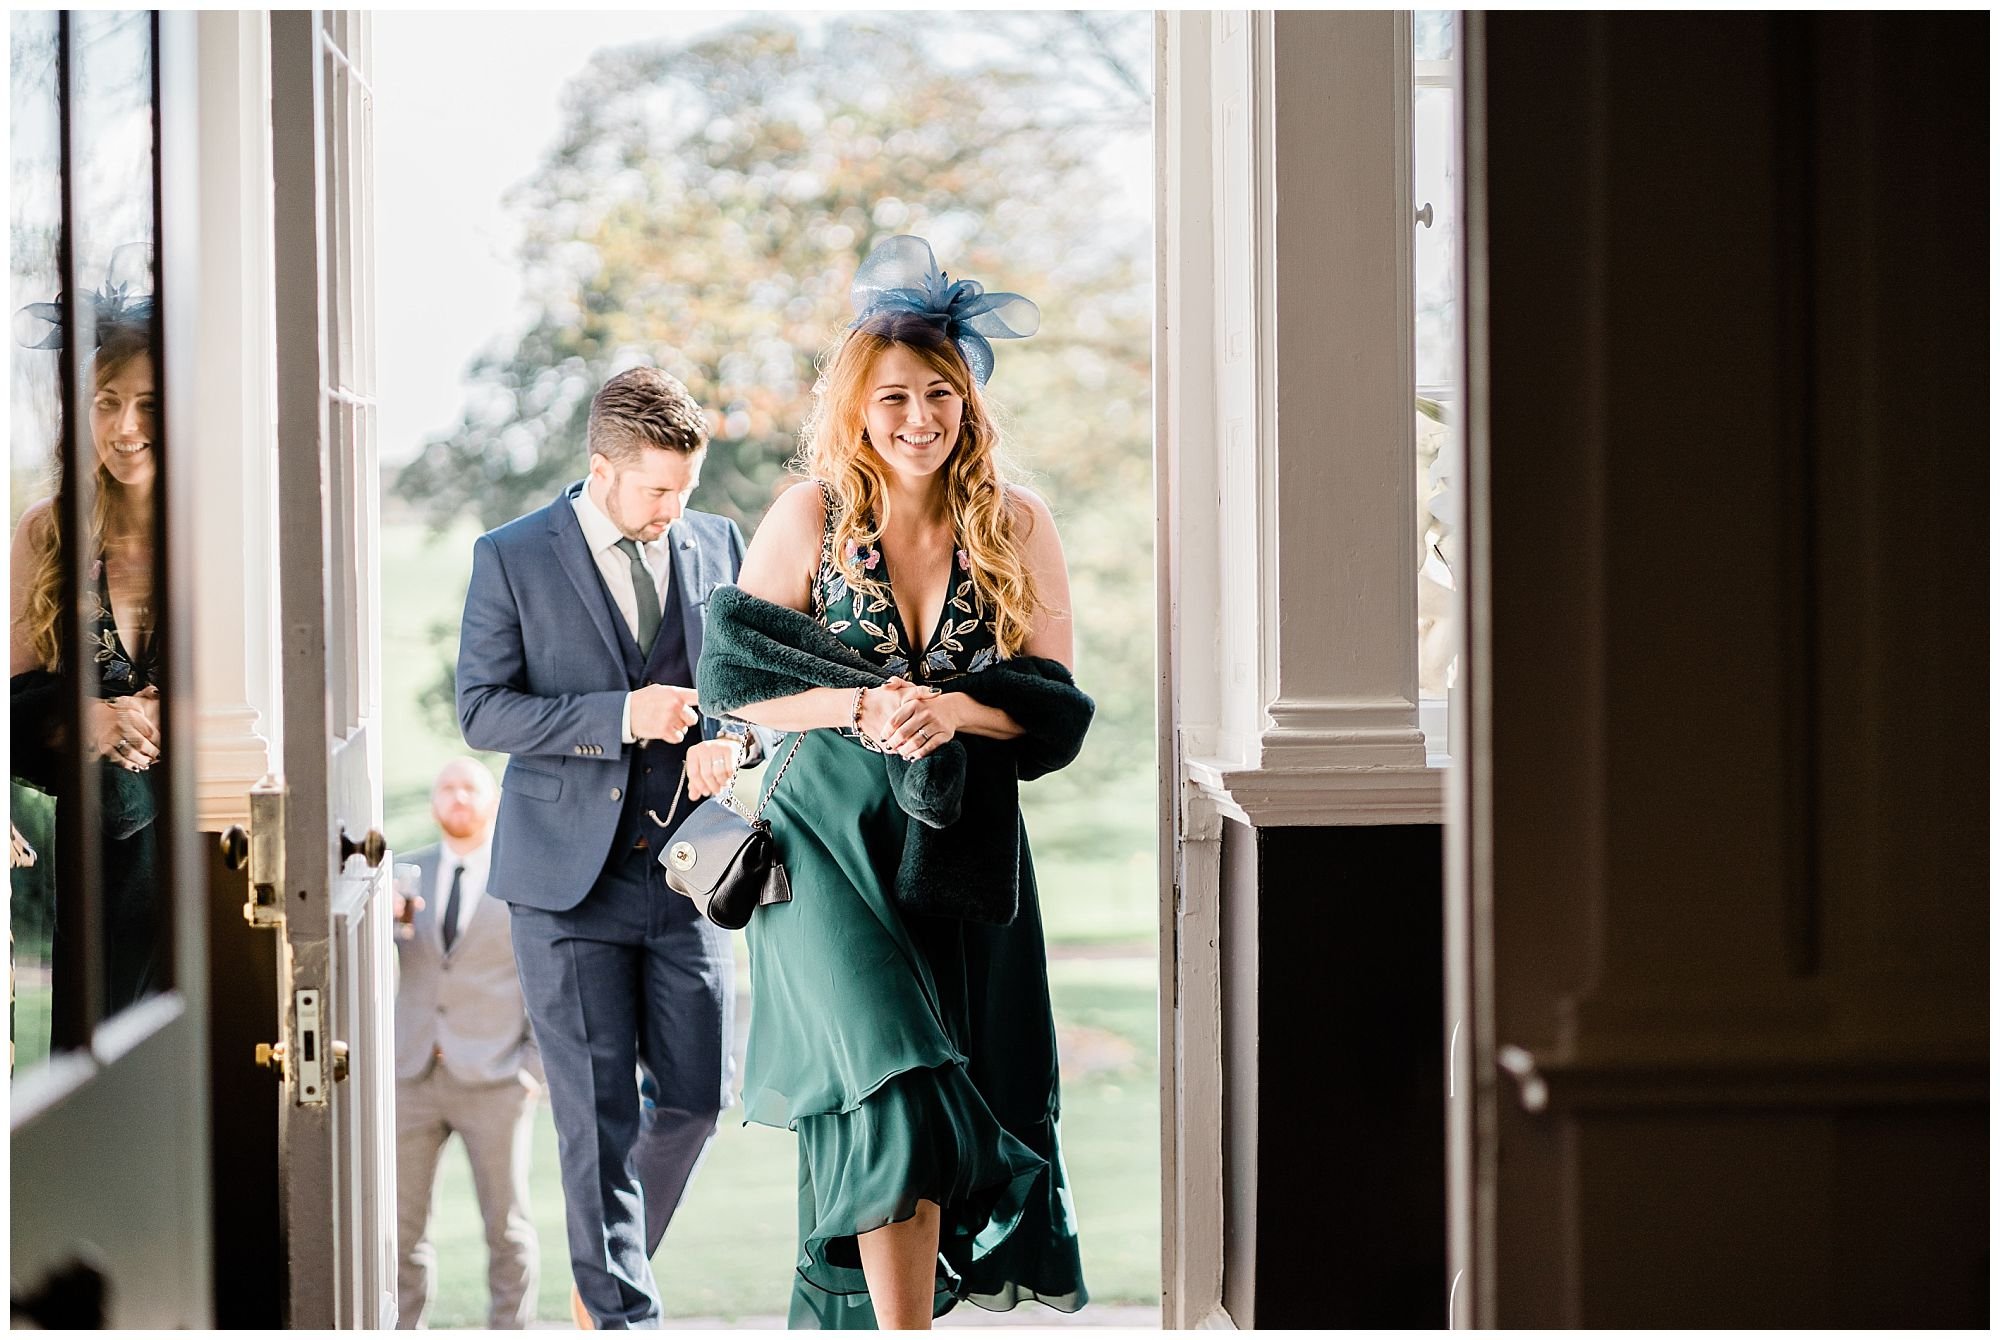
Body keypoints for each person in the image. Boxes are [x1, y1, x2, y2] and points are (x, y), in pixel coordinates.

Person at [716, 235, 1089, 1328]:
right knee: (894, 1078)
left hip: (959, 848)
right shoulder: (808, 517)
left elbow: (1056, 700)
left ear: (968, 403)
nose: (918, 416)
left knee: (929, 1098)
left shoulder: (1018, 523)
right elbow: (735, 684)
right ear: (855, 407)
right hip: (821, 840)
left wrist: (953, 707)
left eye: (939, 393)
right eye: (892, 397)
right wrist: (860, 702)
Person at [455, 366, 764, 1329]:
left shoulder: (718, 543)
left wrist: (732, 741)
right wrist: (618, 716)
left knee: (697, 1100)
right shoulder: (511, 557)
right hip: (563, 884)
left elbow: (748, 692)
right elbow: (481, 709)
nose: (677, 508)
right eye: (658, 488)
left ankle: (610, 1277)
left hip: (690, 874)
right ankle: (621, 1313)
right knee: (593, 1119)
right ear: (602, 469)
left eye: (687, 487)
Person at [9, 307, 165, 1041]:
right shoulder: (47, 531)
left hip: (213, 844)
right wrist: (92, 717)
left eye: (149, 404)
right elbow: (13, 704)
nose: (124, 426)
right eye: (107, 401)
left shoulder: (218, 525)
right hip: (101, 860)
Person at [391, 757, 542, 1330]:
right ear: (434, 802)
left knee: (506, 1229)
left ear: (494, 802)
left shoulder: (521, 878)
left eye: (469, 788)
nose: (457, 798)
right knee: (401, 1231)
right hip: (411, 1078)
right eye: (446, 787)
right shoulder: (402, 875)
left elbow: (543, 980)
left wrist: (530, 1070)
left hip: (497, 1079)